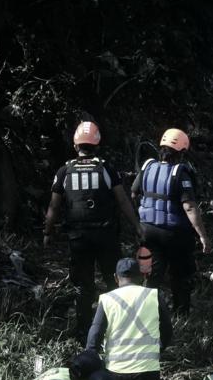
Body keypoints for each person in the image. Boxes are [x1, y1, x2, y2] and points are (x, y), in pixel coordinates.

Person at [43, 120, 143, 337]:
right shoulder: (106, 169)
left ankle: (84, 331)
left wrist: (47, 232)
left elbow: (54, 206)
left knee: (83, 285)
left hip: (78, 238)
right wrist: (136, 226)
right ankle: (117, 328)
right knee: (113, 281)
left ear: (75, 146)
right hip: (106, 235)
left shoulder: (64, 171)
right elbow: (122, 201)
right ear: (97, 146)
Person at [86, 257, 172, 380]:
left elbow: (95, 334)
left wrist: (92, 362)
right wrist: (159, 349)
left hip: (115, 370)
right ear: (141, 276)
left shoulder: (107, 299)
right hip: (146, 370)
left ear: (116, 278)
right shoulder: (153, 295)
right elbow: (167, 329)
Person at [131, 128, 210, 315]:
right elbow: (189, 207)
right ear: (182, 152)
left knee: (152, 276)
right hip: (175, 234)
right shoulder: (180, 174)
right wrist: (203, 236)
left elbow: (134, 193)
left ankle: (145, 313)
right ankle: (181, 314)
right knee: (180, 276)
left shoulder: (147, 167)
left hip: (148, 231)